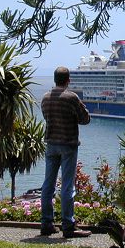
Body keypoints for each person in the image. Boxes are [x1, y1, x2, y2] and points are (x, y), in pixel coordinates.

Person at [40, 66, 91, 238]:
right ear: (68, 79)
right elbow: (85, 119)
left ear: (55, 79)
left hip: (51, 144)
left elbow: (47, 117)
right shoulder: (71, 97)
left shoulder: (45, 98)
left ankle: (46, 223)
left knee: (48, 185)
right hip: (68, 144)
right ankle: (68, 225)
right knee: (68, 186)